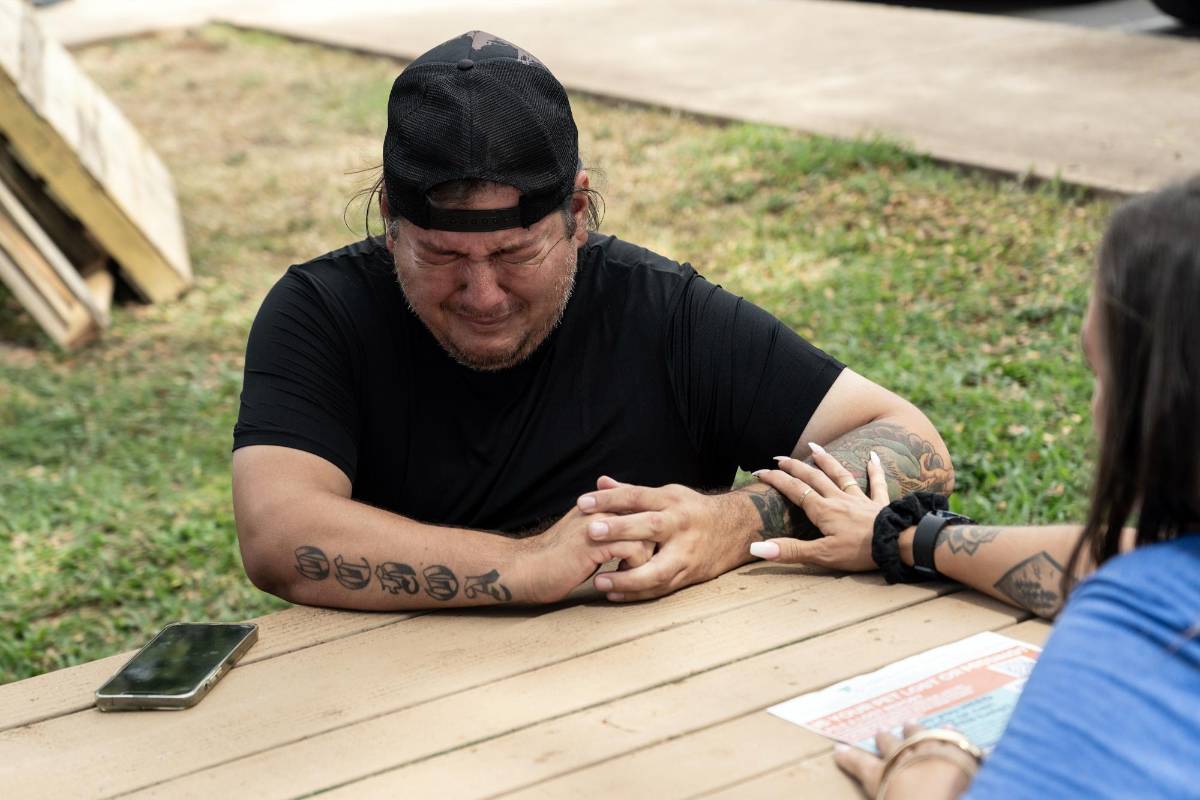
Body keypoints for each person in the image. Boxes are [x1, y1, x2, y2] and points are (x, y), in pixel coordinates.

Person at [230, 31, 954, 611]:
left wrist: (732, 522)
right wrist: (526, 566)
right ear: (390, 218)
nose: (482, 295)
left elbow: (913, 444)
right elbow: (277, 531)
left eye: (516, 253)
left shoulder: (663, 312)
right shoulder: (320, 312)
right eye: (442, 255)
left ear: (577, 212)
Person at [750, 176, 1200, 798]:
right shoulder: (1150, 587)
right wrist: (905, 536)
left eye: (1100, 374)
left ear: (1165, 408)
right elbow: (1118, 561)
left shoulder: (1129, 632)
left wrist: (929, 772)